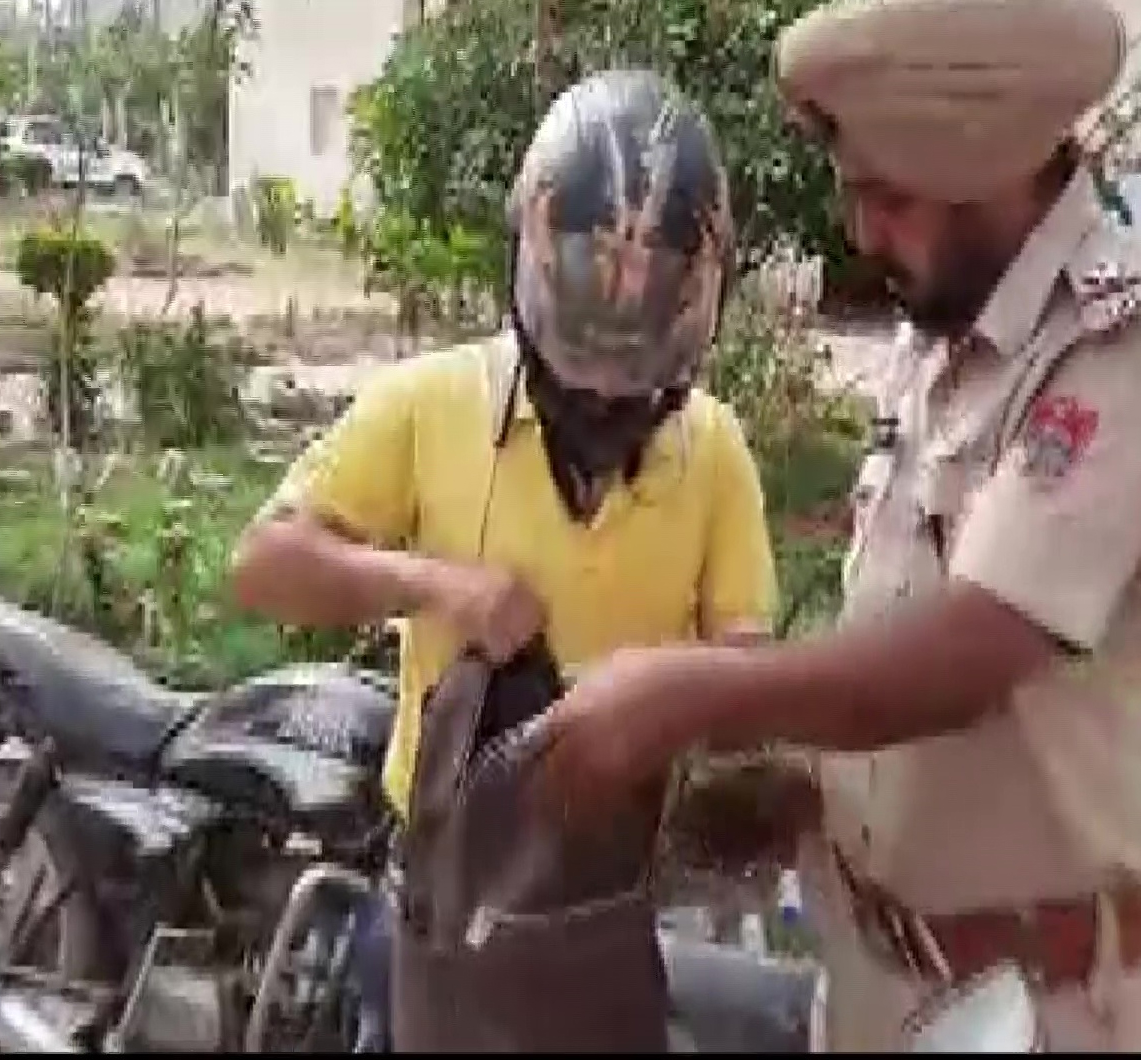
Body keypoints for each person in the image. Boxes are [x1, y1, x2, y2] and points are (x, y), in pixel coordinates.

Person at [531, 0, 1141, 1051]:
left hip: (1028, 1010)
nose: (861, 235)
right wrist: (804, 794)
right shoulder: (946, 342)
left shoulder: (1112, 361)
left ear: (982, 167)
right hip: (878, 988)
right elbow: (903, 627)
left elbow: (968, 652)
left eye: (887, 199)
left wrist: (690, 693)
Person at [230, 68, 778, 1051]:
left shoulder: (715, 450)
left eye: (634, 378)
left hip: (605, 913)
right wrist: (432, 583)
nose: (605, 398)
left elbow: (748, 666)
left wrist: (670, 697)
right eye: (582, 365)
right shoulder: (429, 403)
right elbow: (264, 563)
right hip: (442, 903)